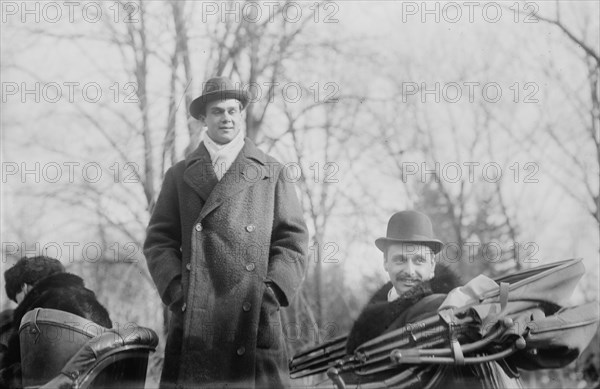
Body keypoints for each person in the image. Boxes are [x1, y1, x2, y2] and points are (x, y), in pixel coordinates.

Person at [144, 76, 308, 388]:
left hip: (253, 317)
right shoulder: (179, 175)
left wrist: (270, 293)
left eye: (233, 110)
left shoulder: (271, 172)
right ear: (203, 119)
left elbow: (293, 241)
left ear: (242, 114)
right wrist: (179, 292)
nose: (227, 118)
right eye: (218, 111)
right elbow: (158, 242)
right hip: (197, 320)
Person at [345, 210, 522, 388]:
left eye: (419, 260)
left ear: (432, 266)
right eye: (400, 260)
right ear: (385, 263)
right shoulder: (367, 328)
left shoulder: (455, 311)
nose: (410, 271)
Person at [0, 256, 112, 389]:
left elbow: (24, 372)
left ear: (24, 287)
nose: (18, 305)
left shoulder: (34, 313)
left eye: (16, 299)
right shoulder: (95, 306)